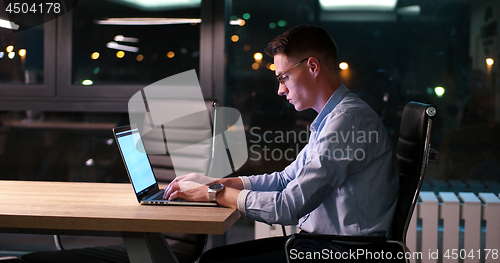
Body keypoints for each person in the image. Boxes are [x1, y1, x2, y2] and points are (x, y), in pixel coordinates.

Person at [164, 24, 399, 262]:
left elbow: (288, 206)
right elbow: (285, 180)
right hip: (322, 244)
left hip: (341, 252)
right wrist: (215, 183)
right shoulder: (334, 118)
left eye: (284, 77)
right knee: (214, 258)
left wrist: (214, 194)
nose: (280, 89)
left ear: (313, 66)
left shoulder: (347, 121)